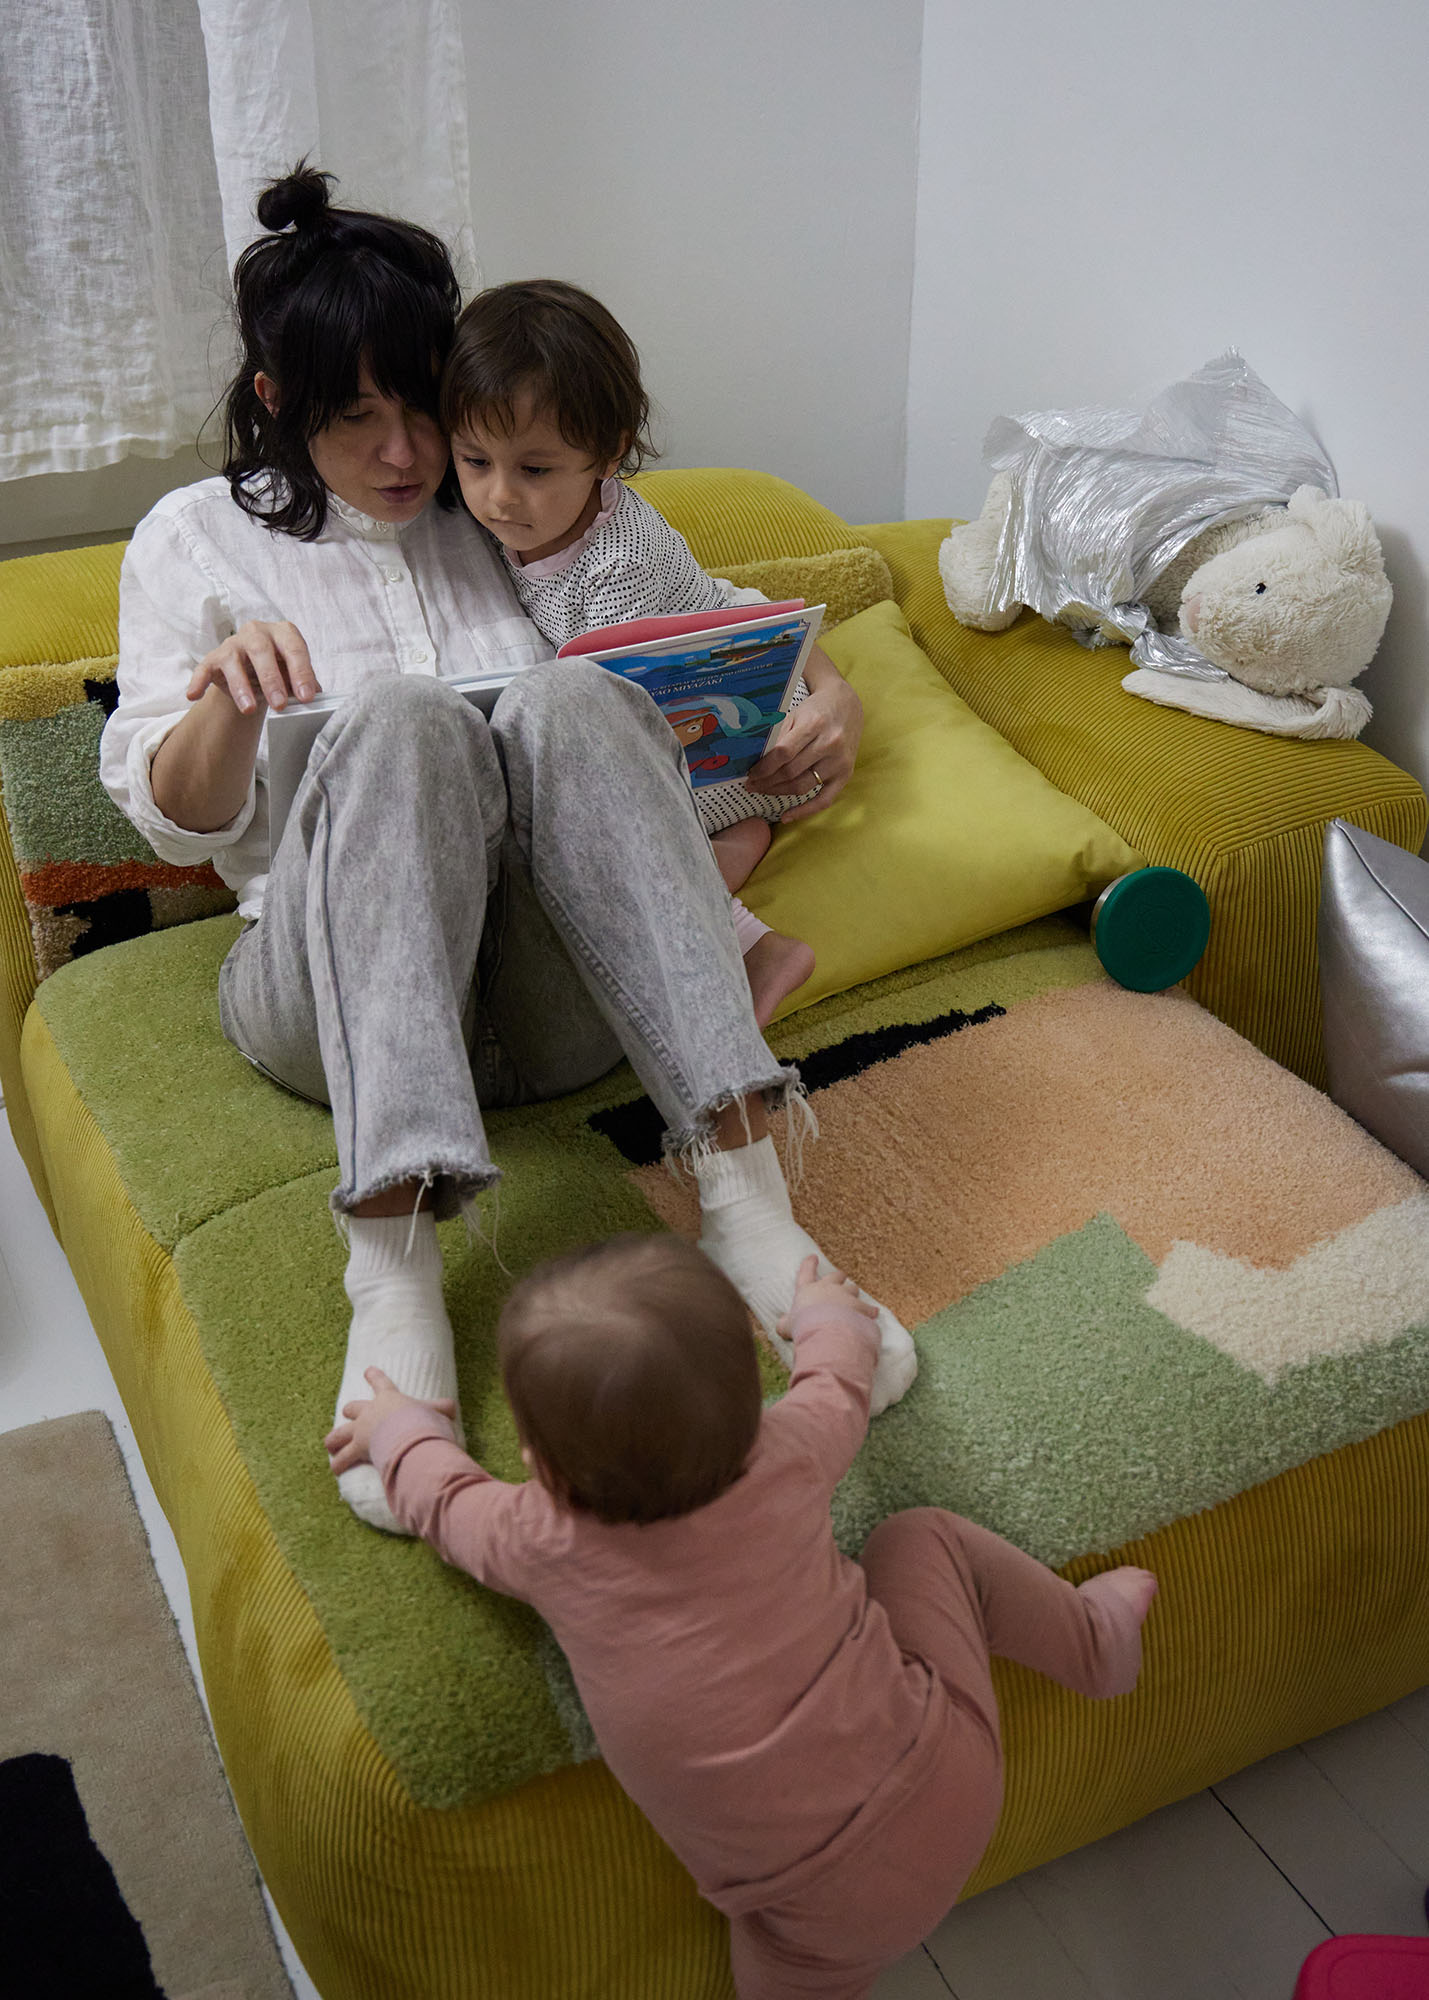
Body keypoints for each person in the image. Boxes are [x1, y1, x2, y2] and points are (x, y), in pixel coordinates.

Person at [99, 164, 917, 1534]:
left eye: (423, 410)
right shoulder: (193, 539)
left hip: (552, 997)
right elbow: (170, 814)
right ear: (273, 402)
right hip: (323, 1001)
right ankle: (393, 1269)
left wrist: (829, 703)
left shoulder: (515, 500)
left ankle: (746, 1203)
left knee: (575, 692)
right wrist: (223, 701)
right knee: (407, 719)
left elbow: (724, 630)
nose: (409, 458)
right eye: (353, 420)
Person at [325, 1237, 1159, 2000]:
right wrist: (828, 1316)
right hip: (952, 1779)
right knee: (920, 1536)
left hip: (801, 1918)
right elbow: (837, 1381)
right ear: (746, 1406)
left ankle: (1092, 1641)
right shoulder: (788, 1450)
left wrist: (397, 1427)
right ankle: (1094, 1641)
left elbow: (442, 1500)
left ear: (539, 1463)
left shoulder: (537, 1538)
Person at [440, 277, 852, 1026]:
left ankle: (758, 946)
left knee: (594, 834)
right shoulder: (502, 525)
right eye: (473, 462)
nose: (499, 497)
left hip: (752, 737)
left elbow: (619, 734)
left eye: (533, 470)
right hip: (708, 741)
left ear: (606, 456)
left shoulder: (615, 560)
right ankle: (743, 839)